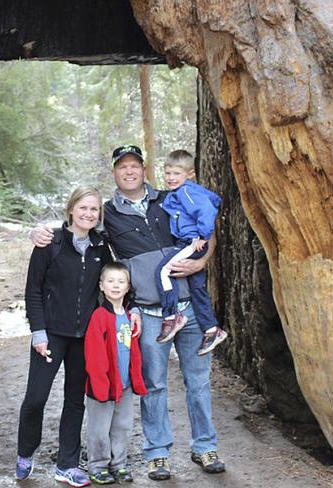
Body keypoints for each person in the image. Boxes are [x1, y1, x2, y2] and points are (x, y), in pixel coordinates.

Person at [31, 145, 226, 481]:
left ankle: (204, 446)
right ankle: (158, 453)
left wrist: (203, 260)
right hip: (150, 312)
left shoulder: (172, 197)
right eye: (123, 167)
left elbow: (207, 227)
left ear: (144, 168)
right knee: (153, 384)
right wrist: (37, 232)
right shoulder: (108, 213)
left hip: (190, 308)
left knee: (198, 382)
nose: (130, 171)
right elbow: (79, 228)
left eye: (135, 165)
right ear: (115, 173)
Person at [16, 186, 112, 487]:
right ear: (71, 210)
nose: (88, 214)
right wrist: (38, 332)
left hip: (84, 338)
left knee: (75, 401)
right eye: (83, 208)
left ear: (99, 215)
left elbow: (110, 286)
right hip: (51, 335)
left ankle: (67, 465)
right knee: (36, 398)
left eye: (94, 209)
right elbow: (33, 290)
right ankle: (25, 453)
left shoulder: (100, 247)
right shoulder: (50, 243)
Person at [154, 150, 228, 355]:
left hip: (190, 242)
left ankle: (171, 316)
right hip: (190, 240)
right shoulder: (178, 193)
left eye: (176, 174)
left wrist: (202, 236)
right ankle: (212, 329)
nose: (170, 178)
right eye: (167, 173)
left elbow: (206, 210)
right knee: (197, 288)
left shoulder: (187, 191)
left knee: (162, 272)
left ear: (190, 173)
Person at [84, 262, 147, 485]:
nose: (116, 285)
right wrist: (101, 383)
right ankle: (98, 465)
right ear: (101, 286)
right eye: (110, 281)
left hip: (125, 385)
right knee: (100, 429)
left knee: (122, 426)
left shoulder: (130, 316)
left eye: (121, 281)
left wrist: (134, 378)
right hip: (102, 386)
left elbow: (133, 352)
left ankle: (119, 464)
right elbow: (94, 355)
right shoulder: (99, 316)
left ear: (128, 286)